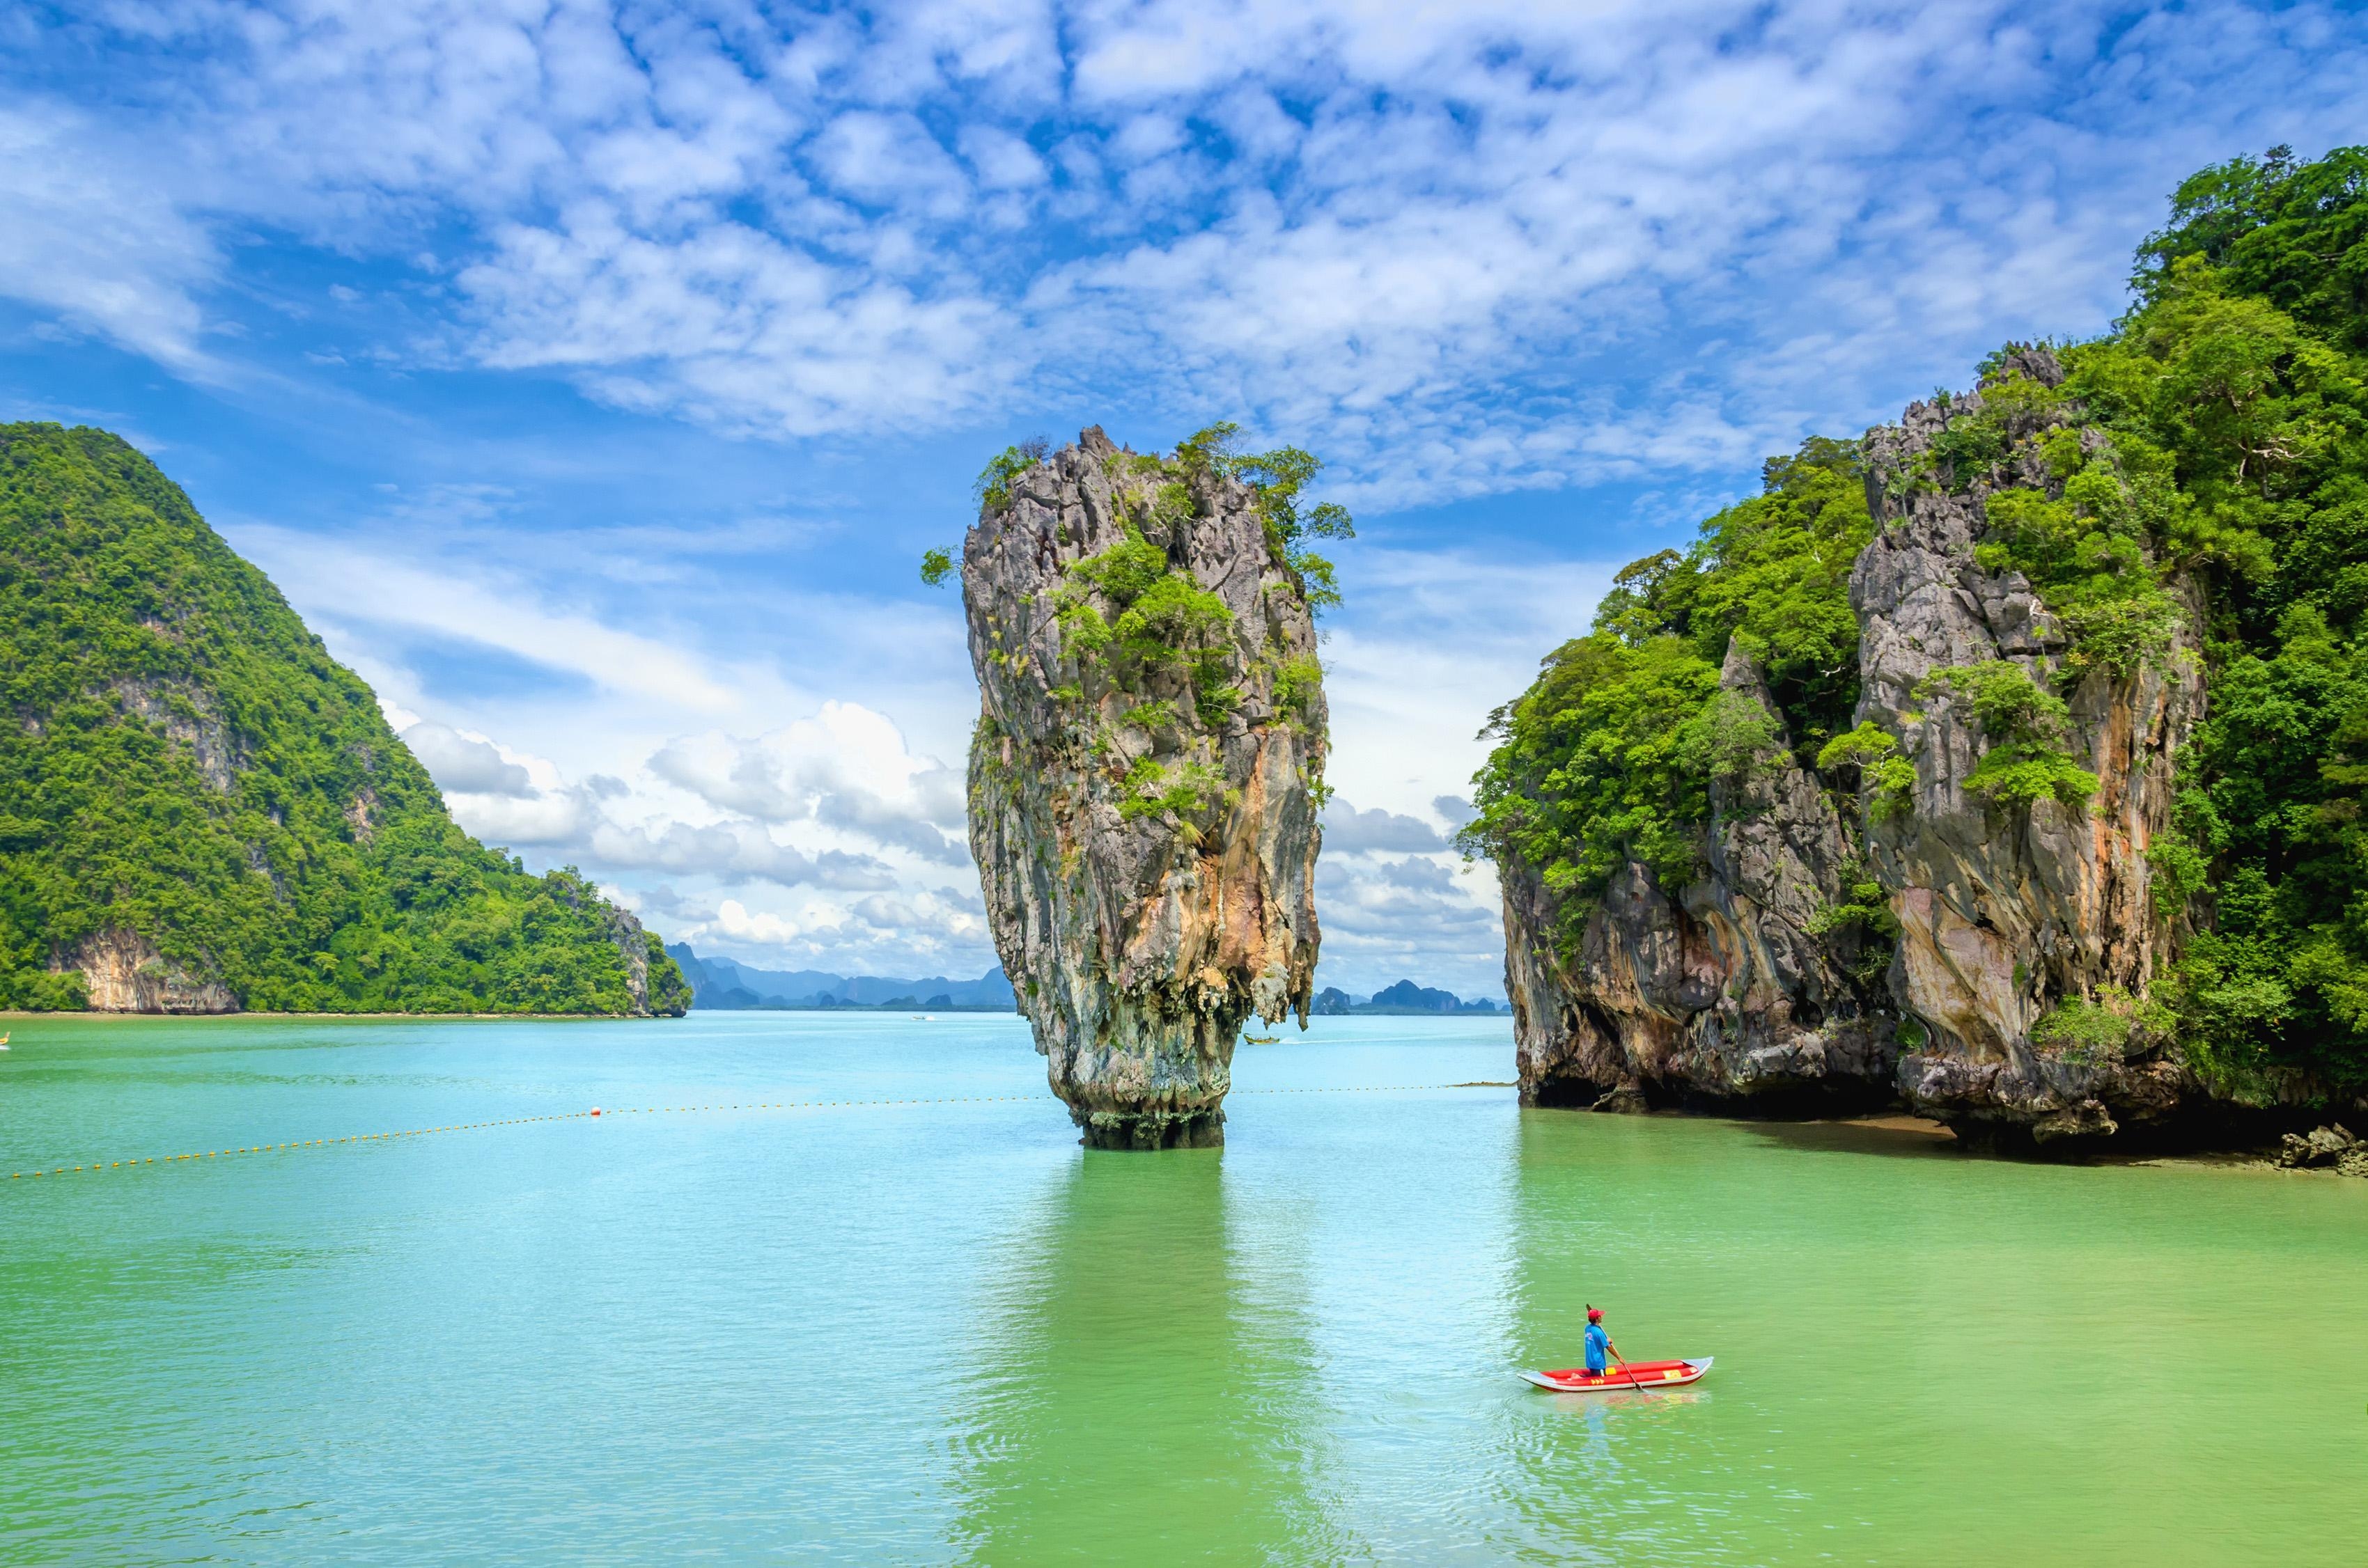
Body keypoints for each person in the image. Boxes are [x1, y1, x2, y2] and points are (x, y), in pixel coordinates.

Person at [1583, 1306, 1619, 1379]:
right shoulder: (1599, 1332)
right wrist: (1619, 1358)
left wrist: (1606, 1340)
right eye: (1600, 1316)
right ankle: (1578, 1378)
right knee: (1602, 1379)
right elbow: (1608, 1347)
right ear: (1597, 1319)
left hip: (1590, 1361)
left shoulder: (1587, 1328)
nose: (1601, 1316)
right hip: (1598, 1363)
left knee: (1593, 1376)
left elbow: (1595, 1340)